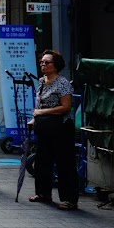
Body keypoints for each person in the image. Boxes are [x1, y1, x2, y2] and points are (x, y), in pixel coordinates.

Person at [30, 49, 79, 210]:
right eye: (42, 62)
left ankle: (69, 199)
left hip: (61, 127)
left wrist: (41, 112)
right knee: (43, 161)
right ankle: (43, 193)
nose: (43, 65)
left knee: (65, 163)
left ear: (56, 65)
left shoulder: (62, 83)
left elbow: (66, 107)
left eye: (47, 62)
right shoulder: (41, 82)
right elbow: (39, 105)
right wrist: (34, 118)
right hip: (44, 128)